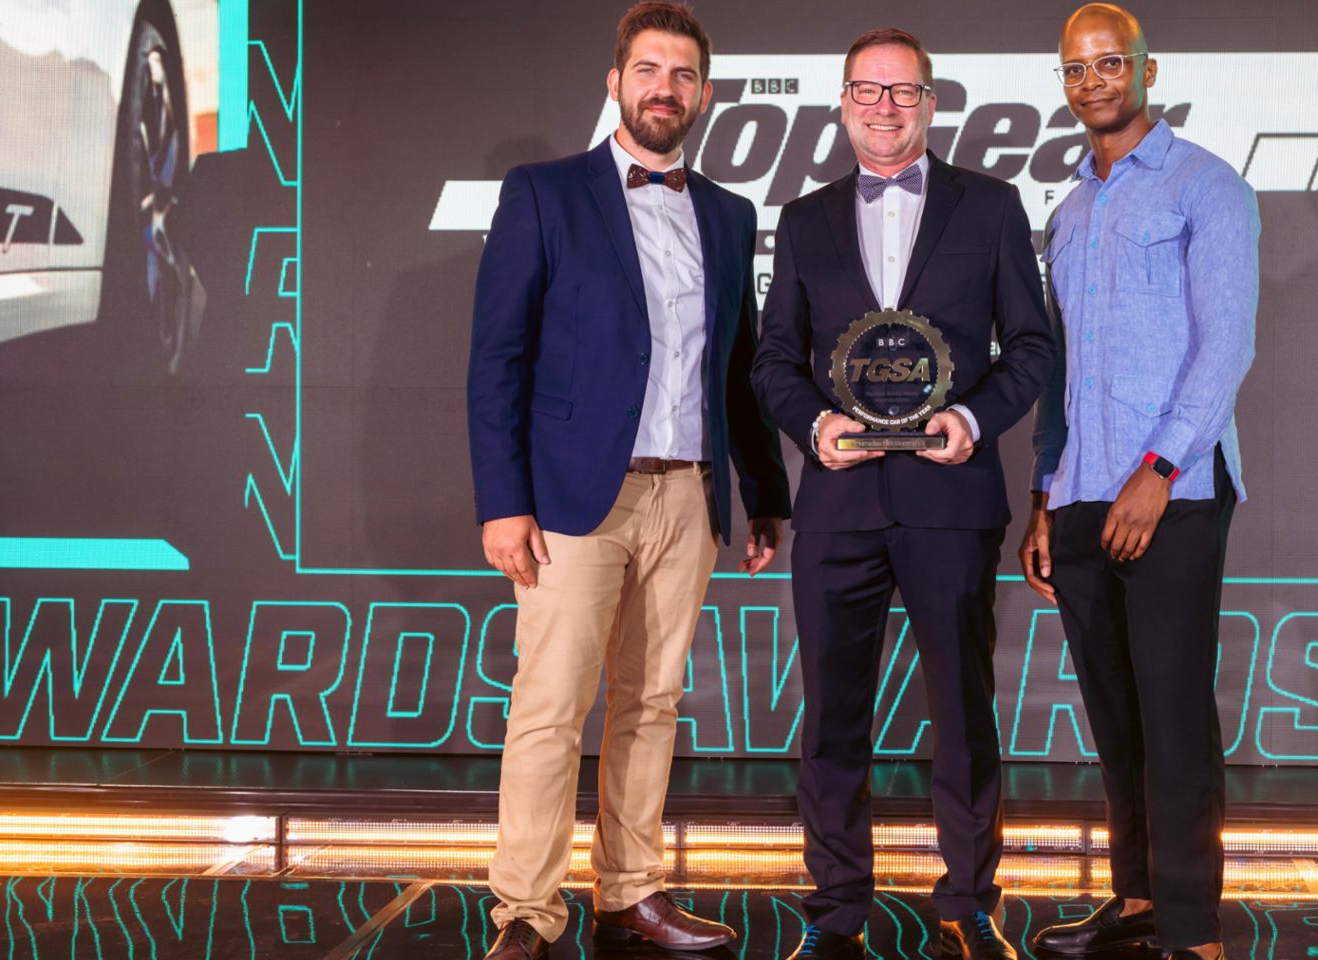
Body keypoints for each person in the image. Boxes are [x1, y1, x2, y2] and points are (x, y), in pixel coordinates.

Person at [466, 3, 790, 957]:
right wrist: (503, 503)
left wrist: (764, 492)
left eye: (682, 75)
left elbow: (737, 365)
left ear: (705, 94)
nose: (664, 89)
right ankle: (526, 910)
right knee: (551, 706)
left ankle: (631, 891)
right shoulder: (543, 193)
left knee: (652, 705)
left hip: (687, 495)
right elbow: (497, 360)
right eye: (647, 70)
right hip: (573, 499)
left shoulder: (728, 214)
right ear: (615, 83)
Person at [749, 26, 1056, 960]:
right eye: (867, 90)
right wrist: (814, 426)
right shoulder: (803, 218)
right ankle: (837, 910)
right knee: (832, 719)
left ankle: (968, 903)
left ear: (930, 101)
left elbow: (1032, 346)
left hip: (950, 499)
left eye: (902, 91)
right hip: (838, 501)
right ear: (843, 103)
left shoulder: (992, 207)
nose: (884, 107)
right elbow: (772, 360)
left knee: (962, 713)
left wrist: (972, 419)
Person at [1020, 5, 1260, 960]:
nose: (1093, 83)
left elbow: (1226, 346)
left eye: (1109, 63)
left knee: (1173, 713)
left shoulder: (1208, 186)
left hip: (1174, 492)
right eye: (1076, 70)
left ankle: (1193, 930)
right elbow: (1059, 372)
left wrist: (1158, 468)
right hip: (1082, 492)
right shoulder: (1069, 211)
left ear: (1147, 70)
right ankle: (1136, 899)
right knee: (1115, 714)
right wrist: (1045, 496)